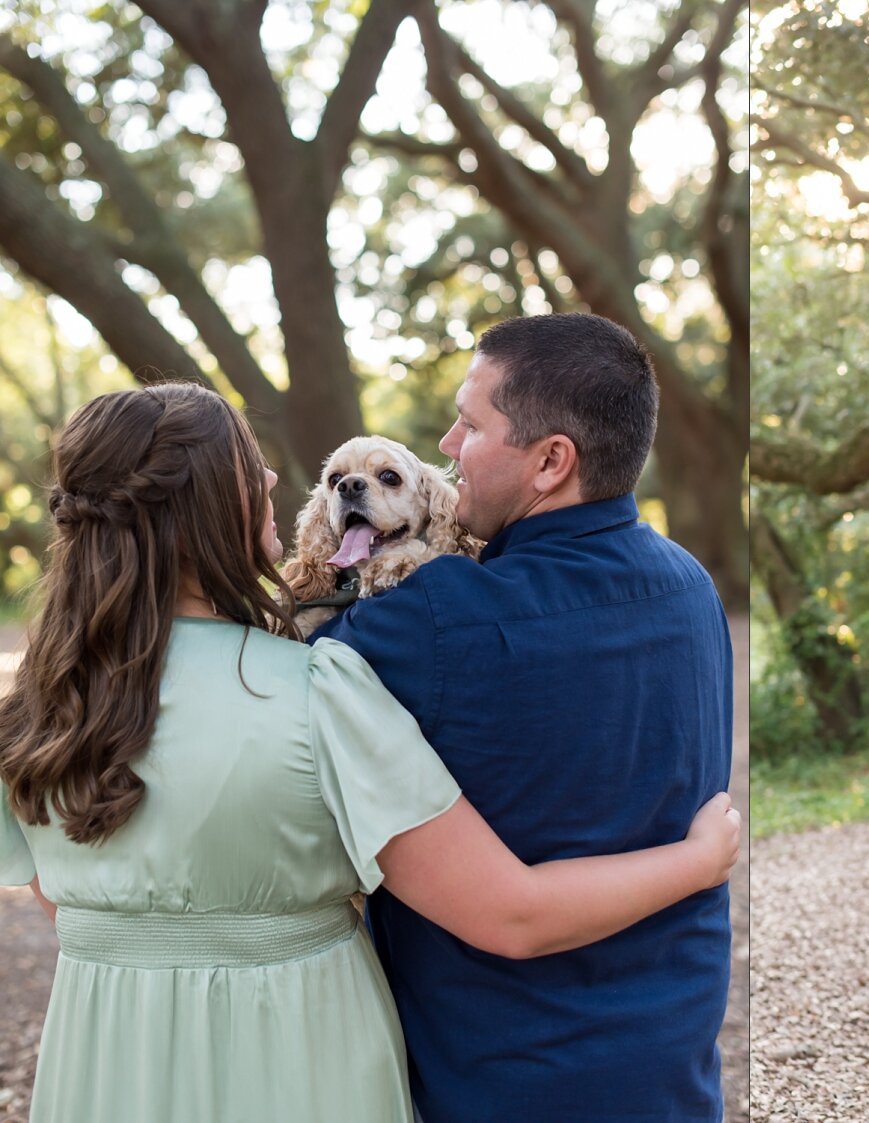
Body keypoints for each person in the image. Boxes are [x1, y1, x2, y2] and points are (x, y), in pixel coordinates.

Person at [0, 383, 740, 1123]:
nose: (269, 481)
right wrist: (699, 861)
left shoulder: (37, 709)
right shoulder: (322, 688)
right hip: (299, 1051)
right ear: (196, 514)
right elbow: (508, 911)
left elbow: (64, 898)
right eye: (247, 466)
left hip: (103, 1058)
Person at [314, 312, 734, 1123]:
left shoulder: (428, 617)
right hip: (670, 1076)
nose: (444, 442)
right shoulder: (693, 589)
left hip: (494, 1082)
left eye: (470, 424)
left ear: (551, 461)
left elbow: (286, 697)